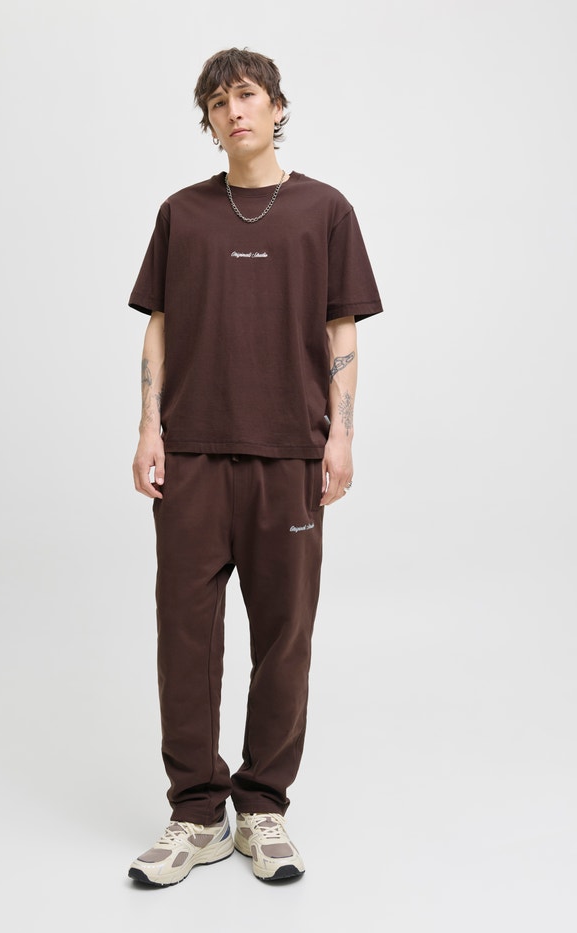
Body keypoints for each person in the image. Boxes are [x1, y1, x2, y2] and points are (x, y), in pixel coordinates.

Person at [126, 47, 384, 887]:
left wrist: (341, 435)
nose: (232, 110)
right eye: (216, 101)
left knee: (284, 636)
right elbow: (160, 323)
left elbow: (342, 327)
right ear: (207, 122)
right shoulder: (181, 213)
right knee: (184, 636)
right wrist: (148, 426)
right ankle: (196, 815)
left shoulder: (325, 210)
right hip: (192, 453)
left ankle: (263, 807)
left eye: (245, 95)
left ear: (276, 105)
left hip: (289, 451)